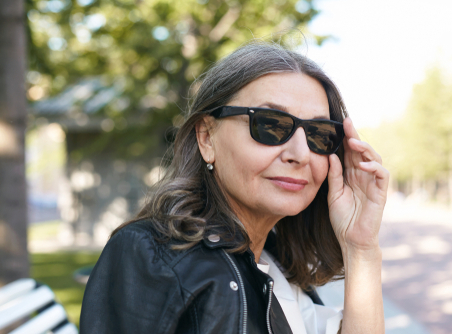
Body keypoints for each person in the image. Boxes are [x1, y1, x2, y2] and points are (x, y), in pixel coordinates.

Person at [80, 42, 388, 334]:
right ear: (206, 137)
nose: (300, 154)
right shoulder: (150, 254)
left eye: (319, 134)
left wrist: (360, 249)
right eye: (270, 124)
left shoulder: (274, 259)